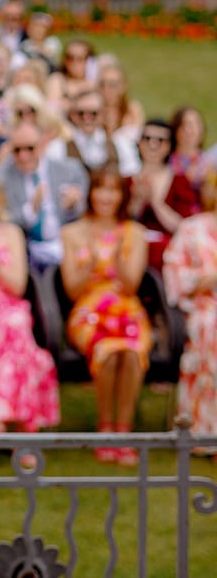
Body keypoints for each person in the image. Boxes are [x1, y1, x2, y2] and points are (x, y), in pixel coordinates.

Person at [62, 166, 151, 466]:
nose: (106, 196)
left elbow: (131, 285)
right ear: (91, 193)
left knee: (130, 352)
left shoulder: (134, 234)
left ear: (122, 196)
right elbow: (73, 289)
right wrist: (89, 265)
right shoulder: (72, 233)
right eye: (101, 188)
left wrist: (115, 260)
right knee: (109, 353)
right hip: (89, 309)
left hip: (126, 307)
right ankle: (105, 431)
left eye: (113, 190)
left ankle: (123, 434)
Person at [0, 173, 60, 434]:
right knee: (16, 340)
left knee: (16, 328)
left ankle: (3, 420)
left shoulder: (11, 232)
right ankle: (22, 429)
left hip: (6, 303)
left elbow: (18, 286)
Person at [163, 174, 217, 451]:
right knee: (212, 326)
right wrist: (202, 280)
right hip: (202, 307)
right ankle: (205, 432)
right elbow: (174, 272)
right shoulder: (192, 228)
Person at [0, 121, 89, 271]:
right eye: (17, 150)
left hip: (66, 246)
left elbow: (86, 212)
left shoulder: (69, 170)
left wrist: (73, 205)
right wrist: (30, 210)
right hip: (27, 251)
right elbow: (4, 219)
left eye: (30, 148)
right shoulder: (3, 177)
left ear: (42, 145)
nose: (23, 155)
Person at [129, 118, 199, 271]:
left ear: (169, 146)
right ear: (139, 143)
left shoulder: (180, 182)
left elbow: (185, 227)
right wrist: (138, 201)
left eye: (160, 140)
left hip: (167, 254)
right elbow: (119, 222)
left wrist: (156, 202)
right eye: (147, 139)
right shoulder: (126, 181)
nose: (153, 145)